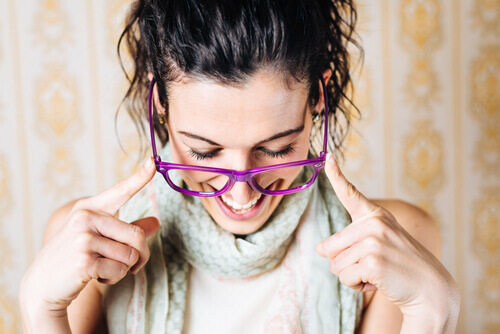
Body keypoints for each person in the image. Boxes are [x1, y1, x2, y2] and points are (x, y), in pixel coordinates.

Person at [19, 0, 460, 333]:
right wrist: (43, 311)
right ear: (161, 107)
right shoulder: (87, 247)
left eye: (277, 147)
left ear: (317, 100)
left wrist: (431, 314)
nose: (242, 194)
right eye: (205, 152)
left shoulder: (397, 244)